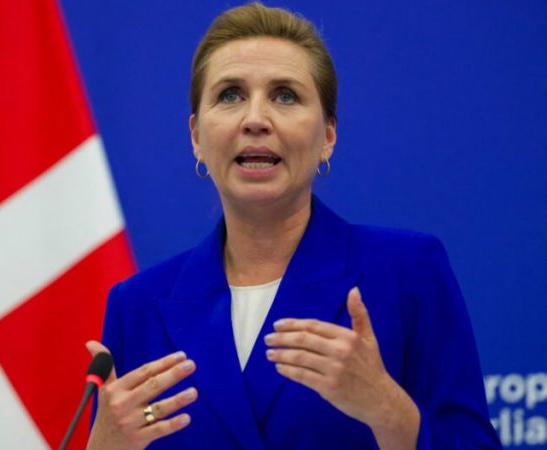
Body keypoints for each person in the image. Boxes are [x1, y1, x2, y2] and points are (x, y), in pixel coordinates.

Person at [86, 2, 500, 449]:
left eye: (285, 95)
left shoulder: (405, 273)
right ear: (195, 138)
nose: (255, 119)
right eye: (230, 95)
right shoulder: (138, 306)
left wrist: (390, 411)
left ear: (328, 136)